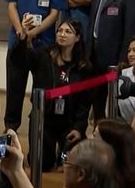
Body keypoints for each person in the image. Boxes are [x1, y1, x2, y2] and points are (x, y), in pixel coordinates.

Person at [10, 19, 92, 171]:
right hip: (44, 119)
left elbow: (84, 103)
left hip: (68, 122)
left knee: (70, 163)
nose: (62, 34)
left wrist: (79, 128)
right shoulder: (44, 55)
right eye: (60, 31)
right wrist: (22, 37)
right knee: (42, 165)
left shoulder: (83, 67)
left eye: (68, 32)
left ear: (77, 38)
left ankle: (63, 154)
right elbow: (18, 60)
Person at [4, 0, 65, 132]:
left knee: (41, 90)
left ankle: (38, 128)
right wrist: (21, 32)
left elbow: (54, 14)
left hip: (44, 45)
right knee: (14, 89)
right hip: (18, 42)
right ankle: (10, 129)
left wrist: (32, 33)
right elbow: (11, 5)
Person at [86, 0, 135, 121]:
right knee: (96, 100)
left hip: (114, 59)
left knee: (113, 103)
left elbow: (130, 30)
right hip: (94, 56)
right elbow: (92, 24)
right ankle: (98, 129)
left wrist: (123, 58)